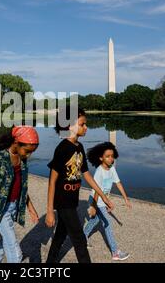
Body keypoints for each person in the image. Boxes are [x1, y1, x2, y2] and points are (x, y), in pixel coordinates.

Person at [45, 107, 114, 263]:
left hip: (72, 201)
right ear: (69, 126)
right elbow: (52, 181)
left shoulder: (79, 147)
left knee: (60, 236)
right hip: (63, 202)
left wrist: (104, 197)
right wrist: (50, 211)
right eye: (82, 124)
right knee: (79, 239)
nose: (86, 127)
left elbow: (87, 175)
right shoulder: (62, 149)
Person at [0, 126, 40, 263]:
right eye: (27, 151)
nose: (28, 155)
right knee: (16, 255)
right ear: (16, 143)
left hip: (12, 208)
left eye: (31, 152)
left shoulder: (21, 158)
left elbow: (21, 186)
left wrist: (30, 207)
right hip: (0, 210)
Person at [84, 141, 131, 261]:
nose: (111, 159)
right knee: (108, 224)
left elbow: (118, 183)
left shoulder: (112, 169)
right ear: (101, 158)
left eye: (112, 156)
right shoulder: (99, 172)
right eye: (107, 156)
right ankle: (115, 252)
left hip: (102, 201)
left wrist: (126, 199)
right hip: (96, 200)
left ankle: (82, 237)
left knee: (94, 221)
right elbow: (95, 191)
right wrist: (94, 206)